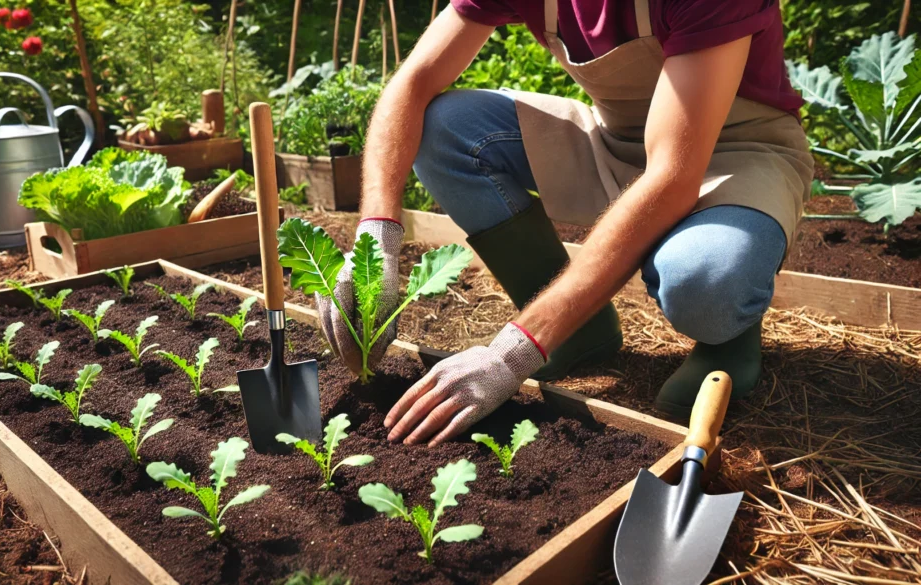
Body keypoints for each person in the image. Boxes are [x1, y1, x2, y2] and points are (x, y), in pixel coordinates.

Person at [317, 0, 813, 446]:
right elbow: (413, 83)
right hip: (618, 142)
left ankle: (726, 336)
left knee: (705, 278)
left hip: (740, 154)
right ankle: (580, 330)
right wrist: (376, 239)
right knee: (447, 128)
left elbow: (673, 177)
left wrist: (513, 353)